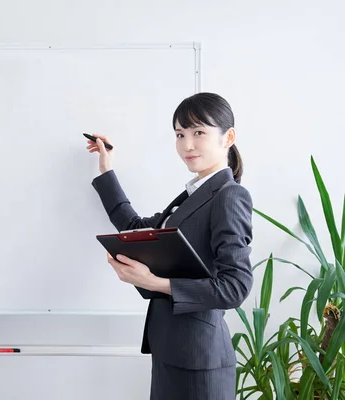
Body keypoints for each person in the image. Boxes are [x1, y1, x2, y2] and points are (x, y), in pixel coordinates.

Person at [87, 92, 253, 399]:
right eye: (180, 134)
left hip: (199, 362)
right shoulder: (194, 195)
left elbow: (235, 287)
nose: (187, 145)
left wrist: (154, 283)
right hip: (173, 352)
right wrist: (106, 168)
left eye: (199, 133)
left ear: (228, 137)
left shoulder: (229, 195)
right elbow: (136, 229)